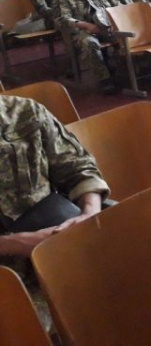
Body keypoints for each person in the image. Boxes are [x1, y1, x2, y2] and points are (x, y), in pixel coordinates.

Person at [0, 95, 110, 330]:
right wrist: (15, 243)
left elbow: (80, 168)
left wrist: (89, 214)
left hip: (63, 253)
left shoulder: (25, 113)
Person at [53, 0, 116, 93]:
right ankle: (105, 79)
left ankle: (128, 69)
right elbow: (62, 19)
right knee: (90, 43)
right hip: (80, 32)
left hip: (104, 27)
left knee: (124, 35)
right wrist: (86, 25)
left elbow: (109, 9)